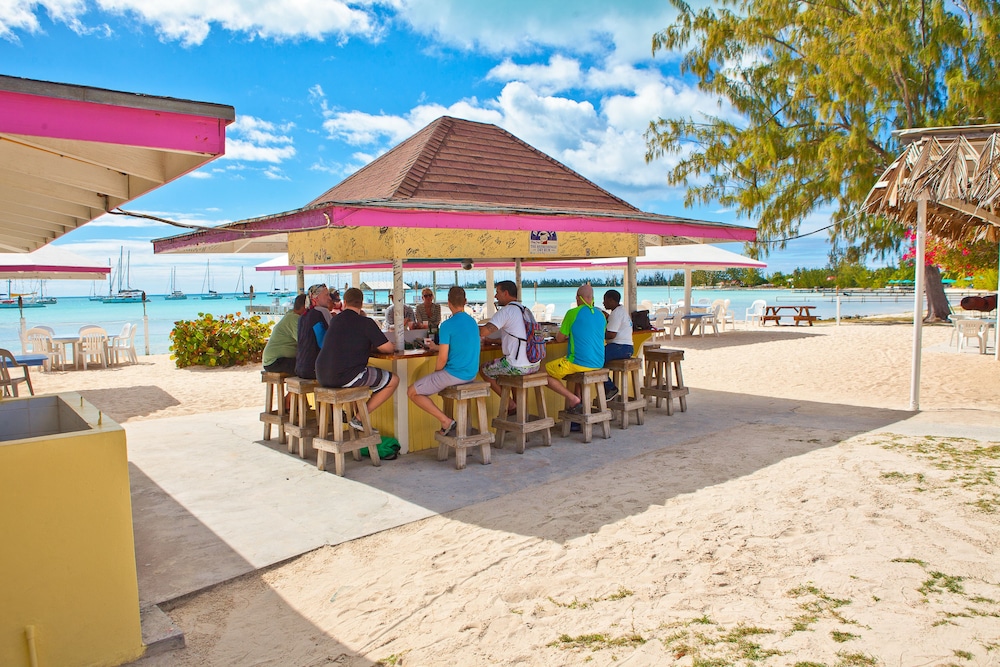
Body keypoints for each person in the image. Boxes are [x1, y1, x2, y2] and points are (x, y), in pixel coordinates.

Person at [316, 287, 399, 429]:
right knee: (393, 380)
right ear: (361, 304)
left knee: (360, 373)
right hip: (345, 376)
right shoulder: (366, 322)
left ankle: (355, 417)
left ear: (345, 302)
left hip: (321, 375)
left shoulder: (335, 320)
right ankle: (359, 418)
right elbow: (388, 349)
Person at [406, 286, 480, 434]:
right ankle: (448, 422)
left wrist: (437, 373)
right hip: (471, 373)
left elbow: (443, 358)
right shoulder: (473, 322)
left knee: (412, 392)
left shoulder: (447, 325)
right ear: (465, 301)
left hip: (455, 374)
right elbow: (458, 346)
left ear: (448, 302)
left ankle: (447, 422)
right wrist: (437, 347)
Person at [479, 280, 539, 412]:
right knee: (510, 373)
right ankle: (519, 410)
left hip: (517, 366)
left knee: (484, 369)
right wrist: (492, 341)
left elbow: (483, 331)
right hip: (534, 363)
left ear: (506, 293)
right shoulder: (526, 310)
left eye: (497, 292)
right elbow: (520, 338)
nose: (495, 296)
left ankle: (510, 404)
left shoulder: (507, 311)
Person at [544, 284, 606, 413]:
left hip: (578, 362)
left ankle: (573, 399)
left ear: (578, 298)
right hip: (599, 363)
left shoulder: (572, 313)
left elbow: (560, 338)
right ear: (592, 298)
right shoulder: (601, 315)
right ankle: (580, 405)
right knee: (576, 376)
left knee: (539, 373)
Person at [294, 284, 333, 380]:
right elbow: (324, 344)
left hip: (300, 367)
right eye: (326, 295)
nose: (329, 298)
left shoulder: (304, 315)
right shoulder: (322, 312)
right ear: (317, 298)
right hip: (314, 369)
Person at [601, 289, 634, 401]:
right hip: (627, 348)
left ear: (611, 300)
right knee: (599, 360)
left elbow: (611, 335)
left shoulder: (616, 314)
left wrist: (597, 333)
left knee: (595, 360)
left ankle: (610, 388)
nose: (603, 303)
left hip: (619, 347)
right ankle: (606, 388)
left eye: (605, 300)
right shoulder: (621, 311)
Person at [262, 293, 307, 375]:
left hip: (274, 360)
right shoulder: (294, 319)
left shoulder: (291, 315)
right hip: (275, 361)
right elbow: (303, 342)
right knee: (307, 367)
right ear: (305, 307)